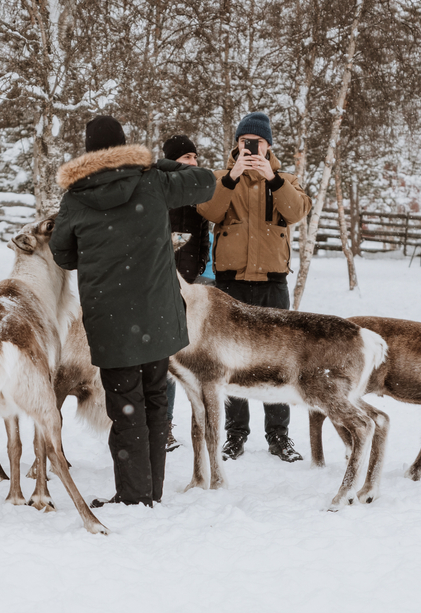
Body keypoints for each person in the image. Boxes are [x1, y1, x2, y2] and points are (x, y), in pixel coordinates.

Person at [50, 115, 216, 507]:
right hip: (157, 314)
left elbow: (63, 253)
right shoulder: (153, 180)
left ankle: (133, 495)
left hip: (110, 320)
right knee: (157, 398)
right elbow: (206, 181)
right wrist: (160, 163)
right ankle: (150, 492)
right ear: (125, 146)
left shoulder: (75, 197)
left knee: (126, 407)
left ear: (89, 152)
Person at [196, 111, 312, 463]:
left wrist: (273, 179)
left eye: (257, 143)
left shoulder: (287, 179)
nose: (250, 148)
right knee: (231, 360)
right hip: (229, 283)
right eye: (245, 142)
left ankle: (279, 436)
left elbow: (296, 213)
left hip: (272, 283)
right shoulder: (219, 178)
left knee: (279, 360)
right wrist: (231, 178)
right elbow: (210, 211)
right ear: (236, 143)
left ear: (268, 145)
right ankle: (235, 434)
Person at [160, 134, 212, 452]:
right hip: (159, 285)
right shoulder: (158, 190)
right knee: (161, 359)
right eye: (185, 157)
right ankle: (157, 423)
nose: (192, 162)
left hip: (191, 286)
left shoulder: (200, 193)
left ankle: (186, 424)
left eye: (195, 156)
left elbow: (206, 235)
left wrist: (202, 275)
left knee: (187, 359)